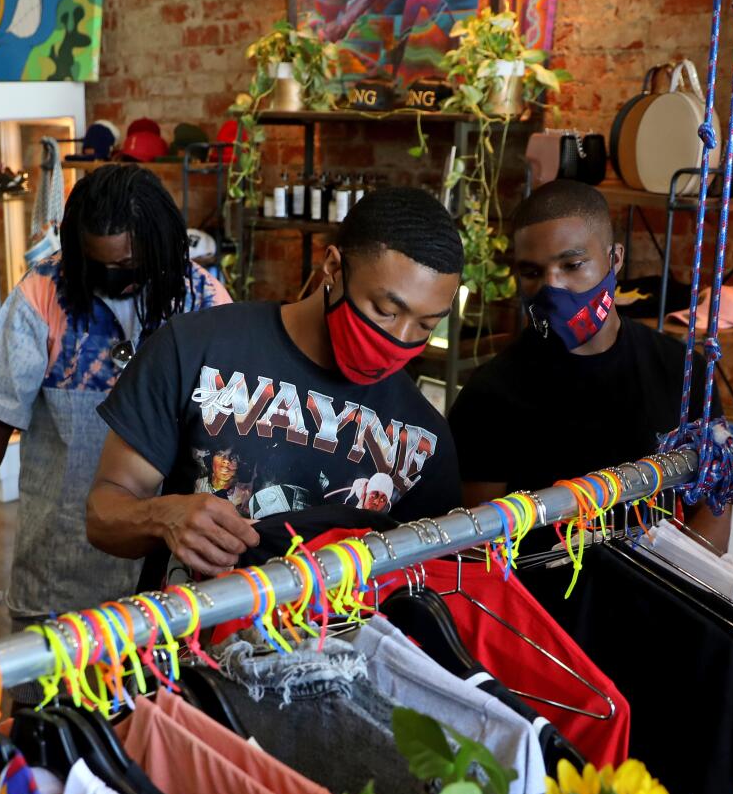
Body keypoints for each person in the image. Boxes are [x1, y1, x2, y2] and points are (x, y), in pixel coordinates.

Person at [88, 185, 463, 583]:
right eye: (386, 311)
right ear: (333, 268)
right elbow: (102, 514)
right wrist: (162, 516)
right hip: (191, 637)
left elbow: (436, 584)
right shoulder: (197, 348)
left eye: (426, 324)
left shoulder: (426, 438)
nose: (401, 339)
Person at [0, 164, 228, 625]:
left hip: (165, 570)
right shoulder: (42, 292)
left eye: (127, 266)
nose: (114, 277)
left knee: (152, 694)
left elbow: (227, 433)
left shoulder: (204, 303)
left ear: (160, 246)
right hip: (60, 560)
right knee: (47, 693)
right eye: (98, 264)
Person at [450, 180, 725, 541]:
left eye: (573, 264)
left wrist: (676, 588)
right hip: (538, 596)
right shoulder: (490, 395)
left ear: (615, 258)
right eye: (532, 273)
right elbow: (476, 547)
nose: (553, 287)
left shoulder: (682, 371)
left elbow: (713, 505)